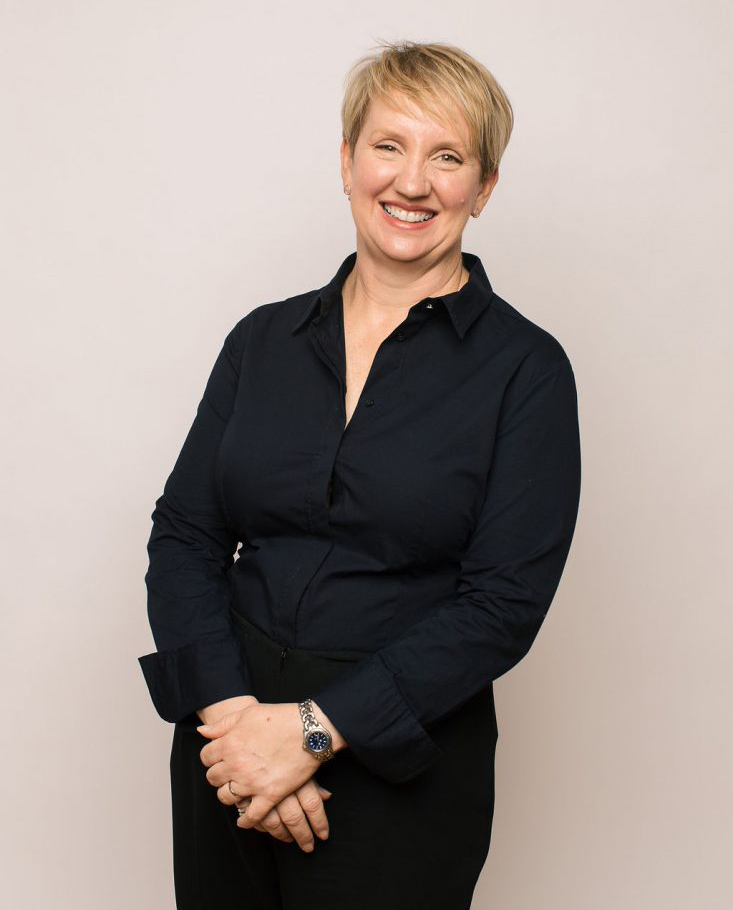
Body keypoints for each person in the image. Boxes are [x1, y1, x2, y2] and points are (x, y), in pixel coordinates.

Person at [138, 39, 582, 910]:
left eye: (447, 157)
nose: (411, 182)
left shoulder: (526, 371)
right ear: (346, 162)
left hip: (398, 765)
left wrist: (309, 733)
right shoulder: (261, 341)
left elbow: (502, 606)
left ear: (484, 187)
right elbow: (185, 533)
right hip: (226, 750)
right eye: (388, 146)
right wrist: (234, 724)